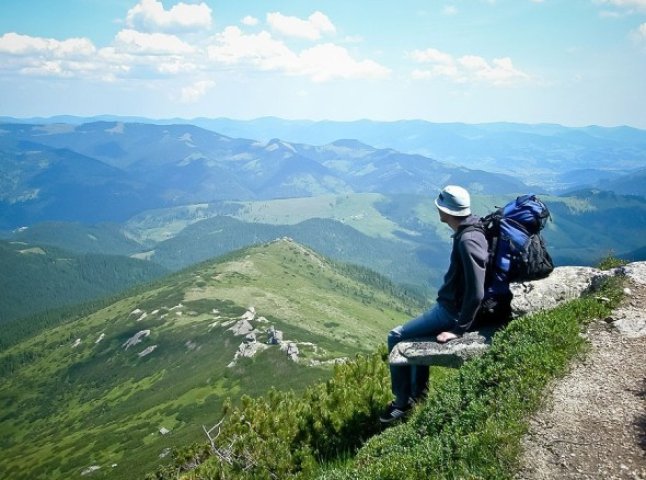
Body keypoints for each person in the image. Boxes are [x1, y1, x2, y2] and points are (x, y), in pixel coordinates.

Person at [379, 185, 489, 424]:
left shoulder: (467, 240)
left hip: (451, 312)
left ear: (446, 210)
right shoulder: (472, 229)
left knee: (396, 336)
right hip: (451, 307)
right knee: (414, 340)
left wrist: (459, 329)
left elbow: (476, 291)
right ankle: (418, 396)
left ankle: (401, 403)